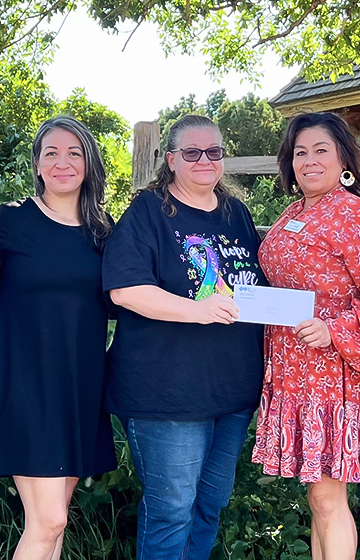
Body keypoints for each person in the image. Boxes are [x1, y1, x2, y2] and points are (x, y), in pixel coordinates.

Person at [102, 114, 264, 560]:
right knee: (171, 512)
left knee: (210, 506)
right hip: (168, 394)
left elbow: (252, 287)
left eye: (214, 151)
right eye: (191, 152)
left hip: (231, 391)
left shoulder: (236, 213)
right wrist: (198, 311)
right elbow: (126, 289)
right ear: (171, 159)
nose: (204, 160)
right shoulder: (148, 212)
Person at [252, 112, 360, 560]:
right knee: (317, 498)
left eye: (321, 150)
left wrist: (335, 329)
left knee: (326, 497)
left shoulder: (356, 215)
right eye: (301, 152)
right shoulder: (293, 212)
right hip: (293, 369)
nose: (309, 160)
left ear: (343, 158)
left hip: (333, 372)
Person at [0, 116, 116, 560]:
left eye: (74, 153)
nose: (62, 162)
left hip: (80, 388)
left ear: (89, 164)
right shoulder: (10, 222)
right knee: (48, 521)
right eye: (50, 153)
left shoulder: (103, 230)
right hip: (25, 386)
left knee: (55, 523)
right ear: (36, 165)